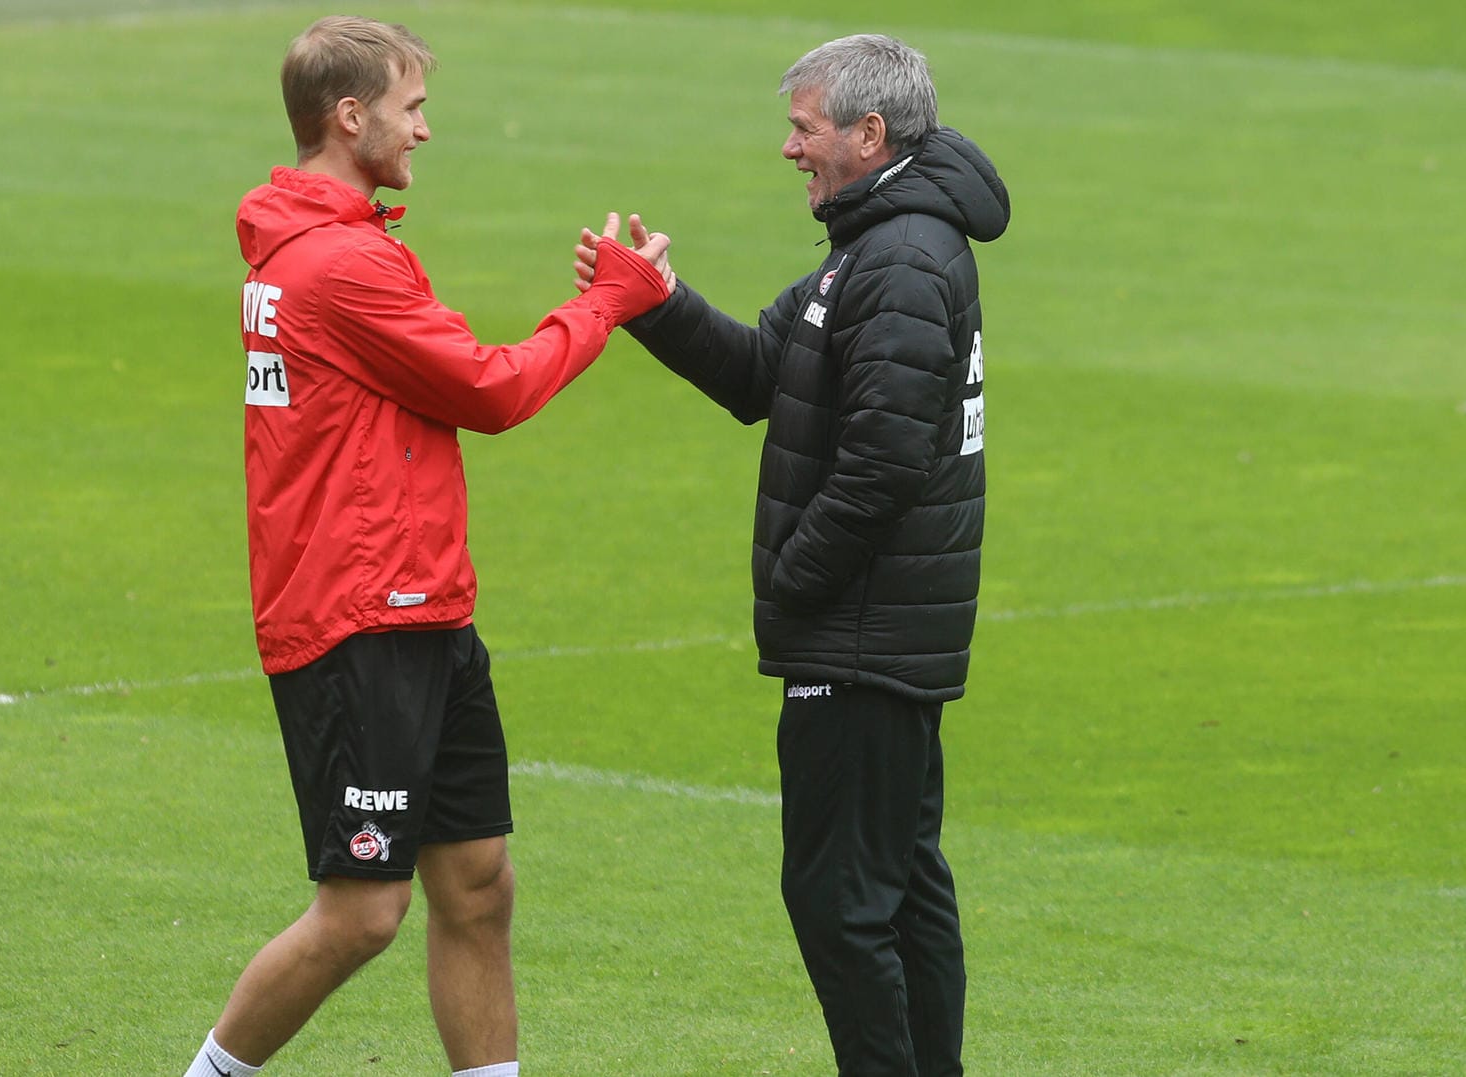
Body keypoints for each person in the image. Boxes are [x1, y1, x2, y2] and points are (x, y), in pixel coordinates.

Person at [185, 16, 672, 1077]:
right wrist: (607, 304)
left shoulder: (315, 245)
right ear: (349, 117)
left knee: (478, 884)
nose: (426, 129)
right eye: (412, 107)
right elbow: (491, 391)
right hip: (359, 616)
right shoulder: (341, 265)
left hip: (422, 605)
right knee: (362, 914)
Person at [578, 33, 1009, 1077]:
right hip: (877, 629)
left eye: (803, 127)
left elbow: (882, 465)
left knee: (842, 898)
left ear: (869, 134)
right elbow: (763, 371)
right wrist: (657, 305)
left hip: (862, 633)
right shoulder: (876, 243)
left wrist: (794, 580)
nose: (788, 148)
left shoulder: (900, 259)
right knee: (898, 884)